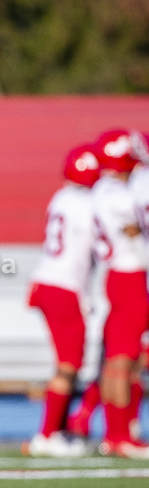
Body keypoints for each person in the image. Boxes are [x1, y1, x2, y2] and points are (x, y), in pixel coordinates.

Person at [23, 144, 99, 457]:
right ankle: (48, 434)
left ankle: (61, 428)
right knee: (68, 366)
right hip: (64, 287)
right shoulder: (91, 204)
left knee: (73, 364)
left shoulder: (63, 197)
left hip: (48, 281)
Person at [90, 129, 148, 458]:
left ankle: (115, 434)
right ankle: (122, 435)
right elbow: (133, 225)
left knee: (118, 362)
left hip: (117, 273)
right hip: (130, 275)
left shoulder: (103, 188)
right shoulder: (121, 190)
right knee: (124, 362)